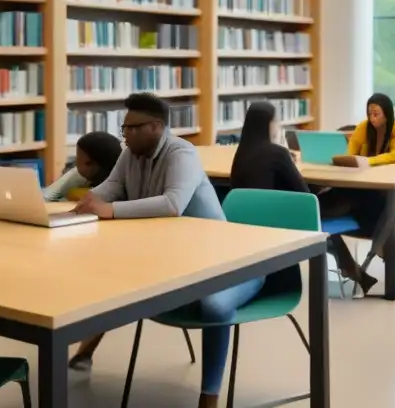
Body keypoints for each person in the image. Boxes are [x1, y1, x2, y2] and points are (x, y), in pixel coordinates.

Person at [70, 93, 259, 408]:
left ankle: (209, 396)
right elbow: (105, 192)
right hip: (175, 265)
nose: (125, 135)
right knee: (104, 277)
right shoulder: (129, 155)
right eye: (123, 128)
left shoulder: (181, 153)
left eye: (132, 128)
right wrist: (76, 208)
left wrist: (110, 210)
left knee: (214, 305)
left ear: (156, 127)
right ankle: (83, 350)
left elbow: (173, 204)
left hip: (226, 263)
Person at [324, 93, 395, 295]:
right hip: (363, 185)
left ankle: (373, 254)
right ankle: (358, 270)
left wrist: (370, 161)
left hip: (386, 187)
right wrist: (347, 160)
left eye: (376, 113)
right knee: (321, 211)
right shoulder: (363, 127)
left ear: (386, 114)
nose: (372, 117)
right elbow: (350, 152)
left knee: (321, 211)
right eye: (370, 113)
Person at [0, 131, 121, 204]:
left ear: (90, 164)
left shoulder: (118, 183)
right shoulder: (77, 176)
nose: (74, 164)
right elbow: (45, 196)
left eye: (78, 159)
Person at [229, 101, 309, 194]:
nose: (279, 125)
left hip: (243, 208)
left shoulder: (241, 154)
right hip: (272, 208)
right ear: (268, 124)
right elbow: (305, 193)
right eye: (276, 121)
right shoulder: (279, 154)